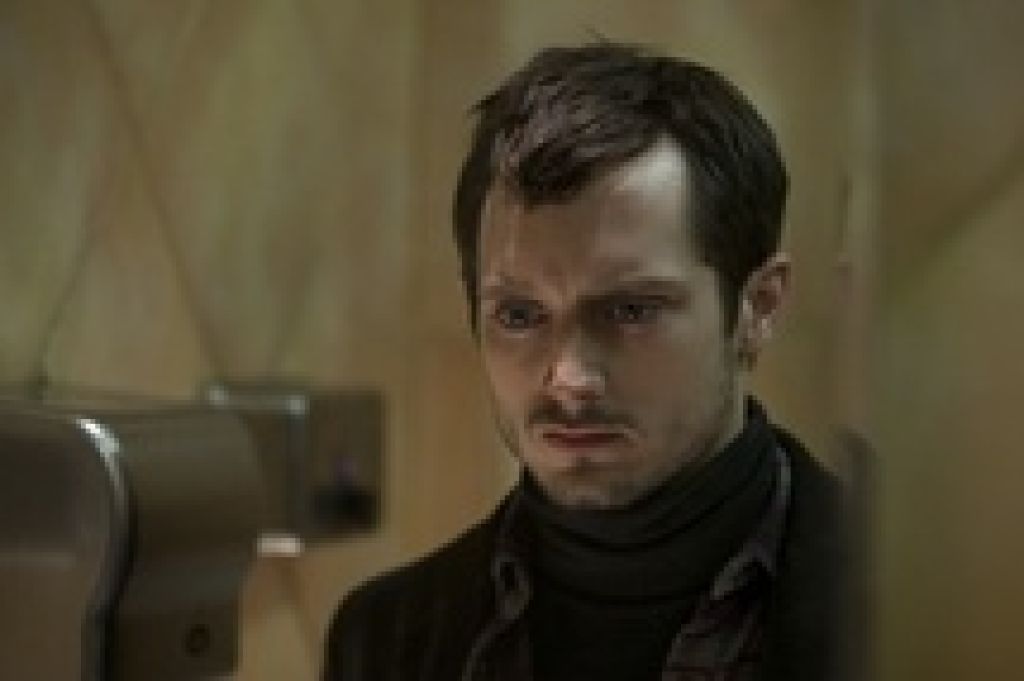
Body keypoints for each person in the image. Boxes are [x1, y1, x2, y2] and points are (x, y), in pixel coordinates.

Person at [325, 42, 852, 681]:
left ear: (758, 307)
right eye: (520, 315)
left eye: (630, 311)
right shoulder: (384, 639)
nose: (570, 379)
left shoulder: (916, 609)